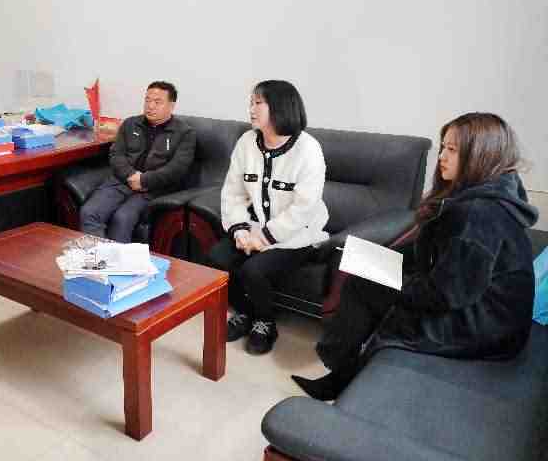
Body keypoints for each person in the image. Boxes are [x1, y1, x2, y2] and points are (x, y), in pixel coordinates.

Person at [293, 112, 538, 401]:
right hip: (477, 305)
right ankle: (340, 373)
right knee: (365, 277)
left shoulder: (478, 214)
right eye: (443, 147)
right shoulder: (484, 193)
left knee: (377, 297)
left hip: (485, 326)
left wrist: (396, 284)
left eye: (452, 150)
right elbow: (434, 249)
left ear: (479, 156)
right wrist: (385, 261)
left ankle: (342, 377)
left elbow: (448, 294)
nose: (441, 157)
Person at [208, 80, 329, 355]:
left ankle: (265, 322)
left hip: (298, 234)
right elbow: (233, 192)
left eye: (258, 103)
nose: (251, 109)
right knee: (217, 258)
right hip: (254, 227)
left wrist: (263, 238)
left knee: (254, 270)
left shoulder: (308, 149)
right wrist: (240, 230)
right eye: (251, 102)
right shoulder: (246, 142)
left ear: (281, 107)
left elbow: (304, 208)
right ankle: (244, 312)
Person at [80, 81, 196, 243]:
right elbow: (116, 154)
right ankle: (99, 256)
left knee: (122, 218)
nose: (150, 106)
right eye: (147, 100)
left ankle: (119, 259)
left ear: (171, 106)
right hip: (122, 181)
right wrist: (131, 175)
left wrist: (144, 180)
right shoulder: (130, 124)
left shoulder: (184, 133)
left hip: (154, 188)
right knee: (90, 212)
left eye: (157, 102)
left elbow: (177, 169)